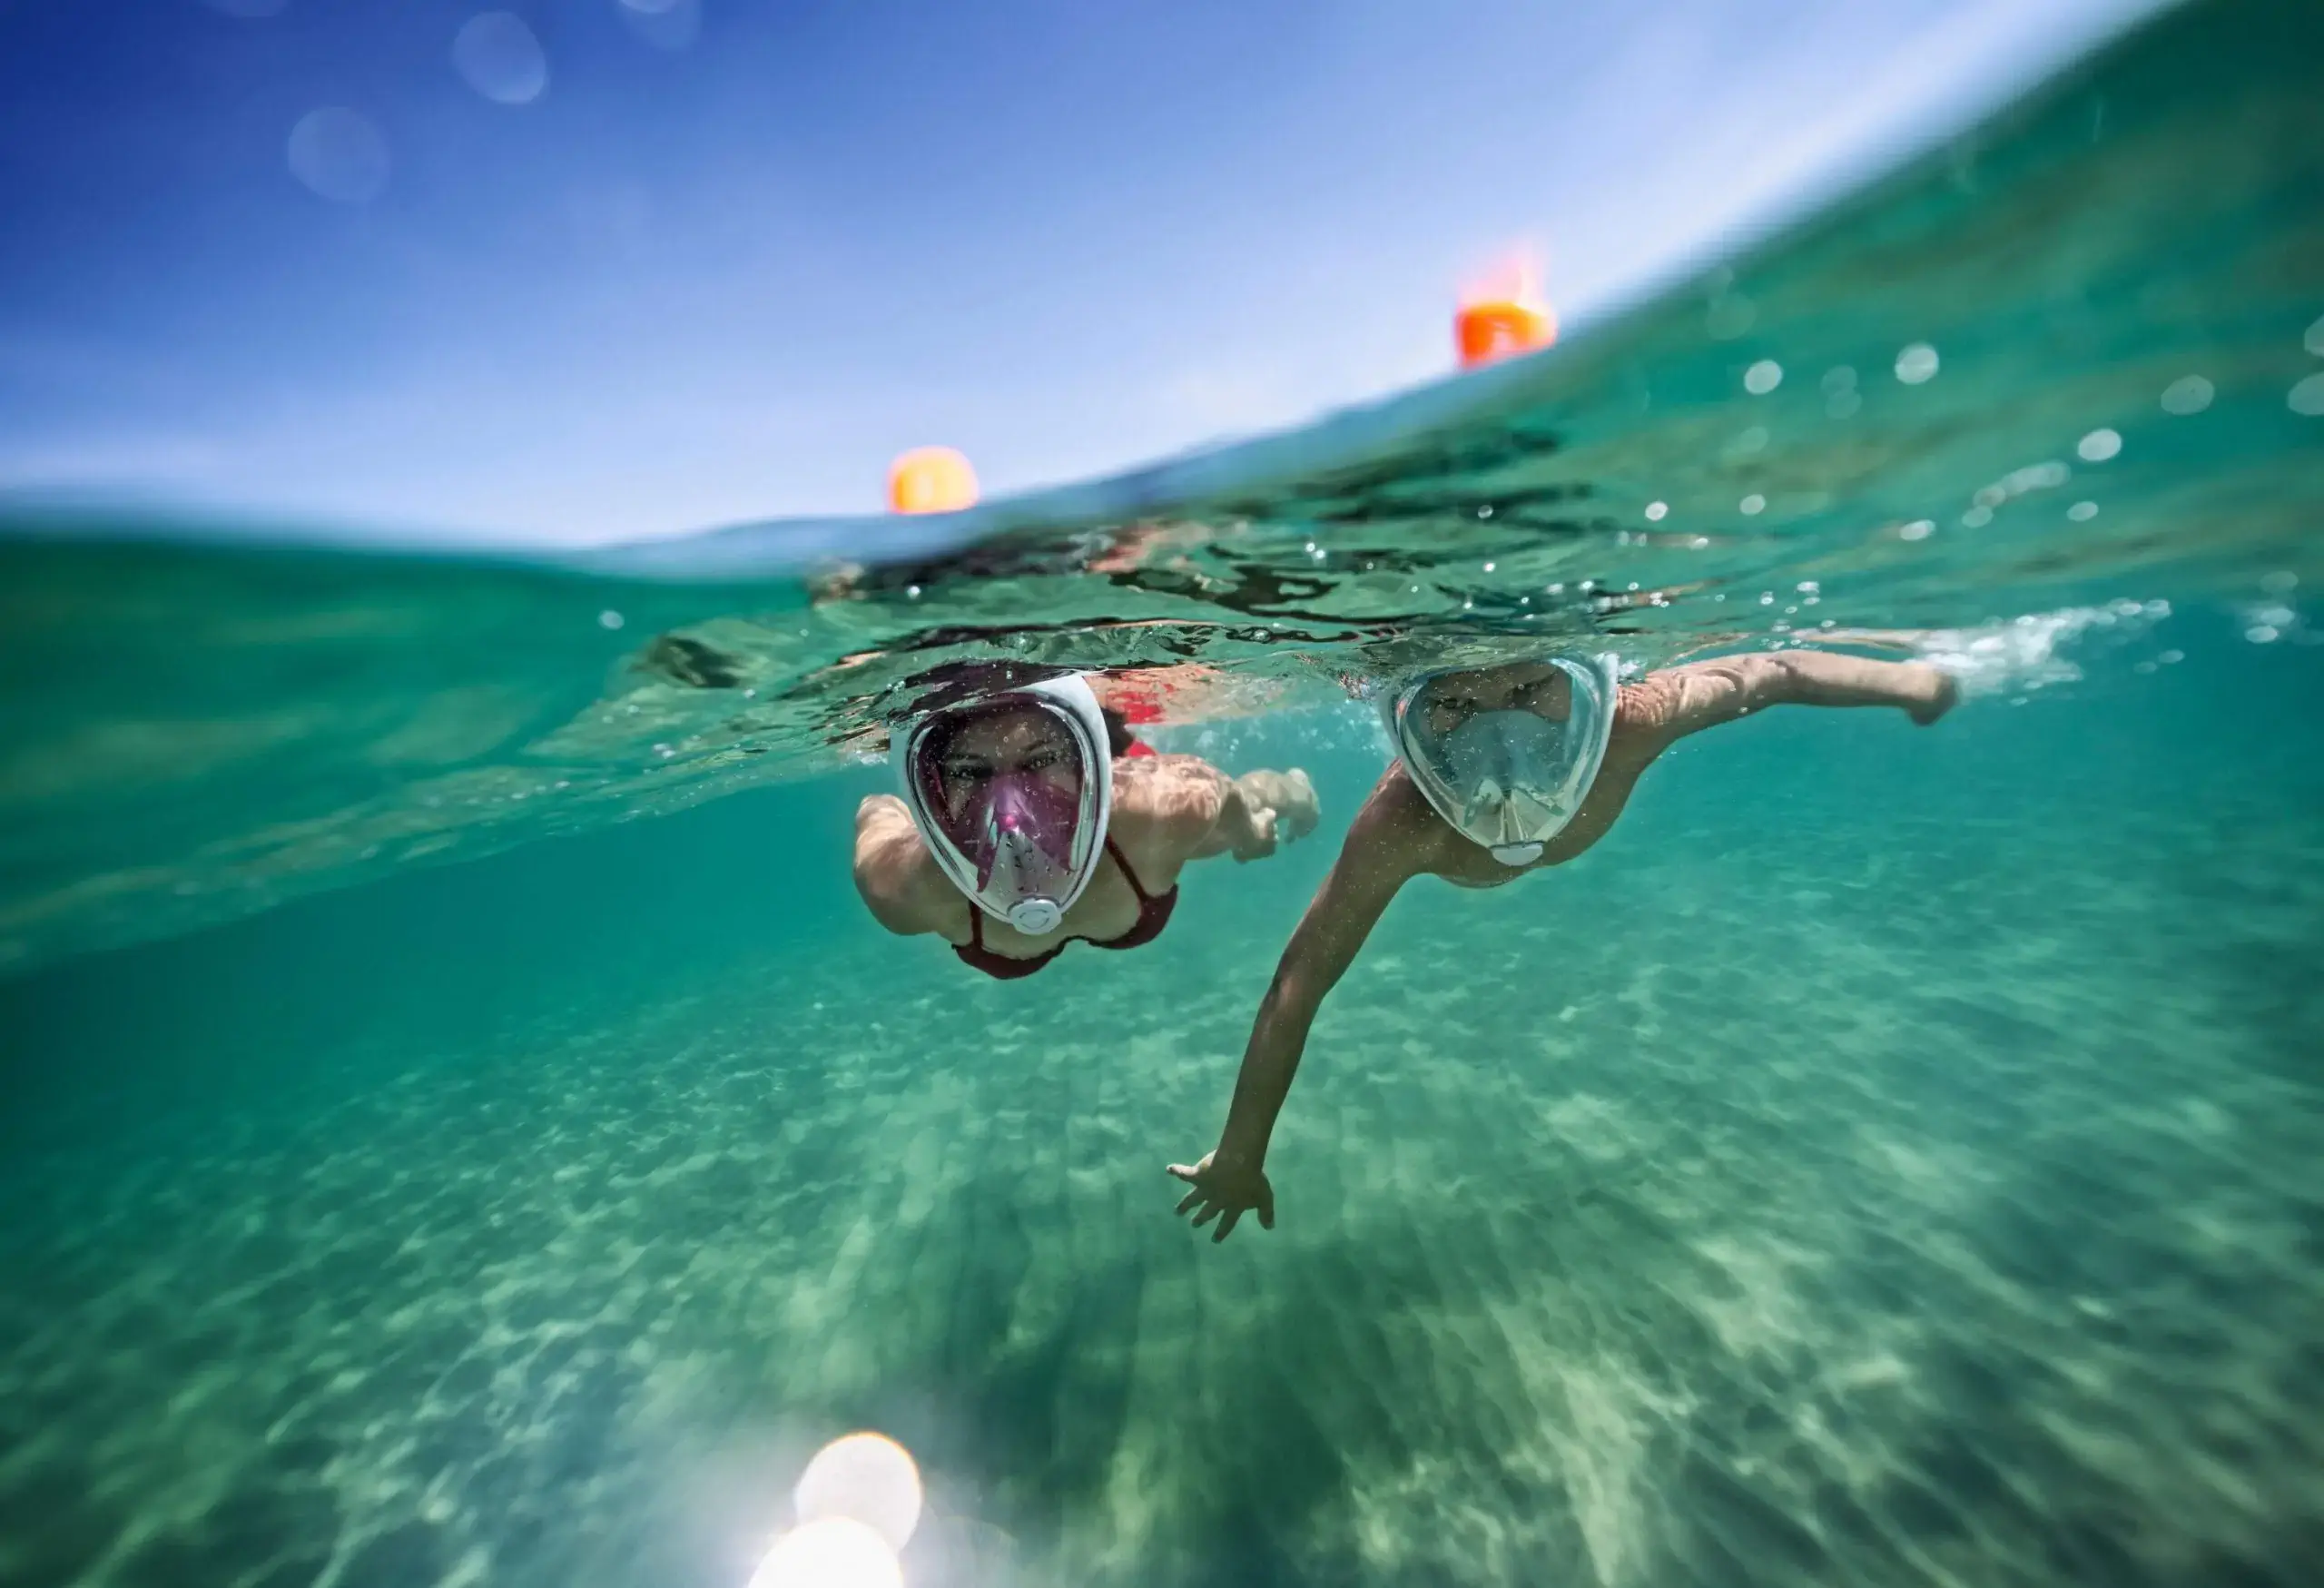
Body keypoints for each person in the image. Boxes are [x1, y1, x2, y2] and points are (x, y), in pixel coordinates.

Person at [1167, 647, 1959, 1238]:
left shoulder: (1628, 724)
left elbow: (1776, 670)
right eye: (1454, 704)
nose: (1500, 739)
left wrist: (1915, 684)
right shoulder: (1401, 822)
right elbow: (1298, 984)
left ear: (1580, 680)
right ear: (1405, 716)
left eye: (1526, 687)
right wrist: (1240, 1153)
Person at [854, 672, 1320, 979]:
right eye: (970, 773)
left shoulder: (1160, 810)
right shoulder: (904, 884)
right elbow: (876, 809)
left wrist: (1247, 832)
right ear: (932, 790)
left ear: (1091, 764)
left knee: (1258, 801)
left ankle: (1297, 788)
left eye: (1041, 761)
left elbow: (1220, 789)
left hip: (1126, 834)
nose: (1013, 811)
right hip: (1132, 852)